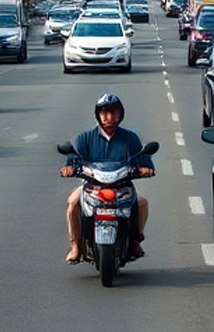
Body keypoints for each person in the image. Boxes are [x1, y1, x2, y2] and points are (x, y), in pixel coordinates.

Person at [61, 94, 154, 264]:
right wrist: (69, 168)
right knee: (73, 204)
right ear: (98, 114)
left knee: (142, 203)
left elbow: (144, 160)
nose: (109, 117)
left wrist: (145, 169)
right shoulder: (85, 138)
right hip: (91, 185)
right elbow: (73, 160)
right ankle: (76, 246)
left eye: (114, 112)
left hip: (122, 186)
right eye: (104, 113)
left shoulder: (130, 138)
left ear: (120, 115)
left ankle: (135, 240)